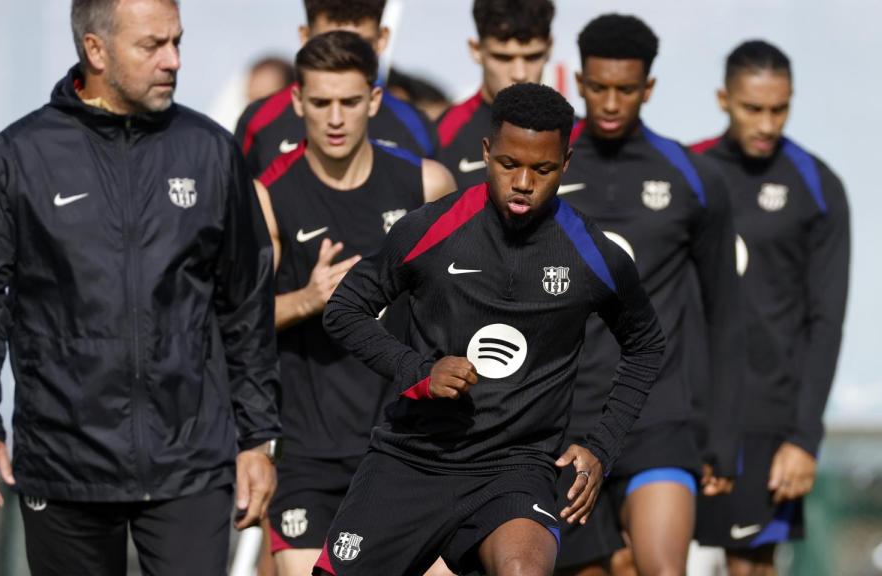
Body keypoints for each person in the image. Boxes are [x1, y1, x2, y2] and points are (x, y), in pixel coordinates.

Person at [0, 1, 281, 574]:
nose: (173, 60)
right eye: (152, 45)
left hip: (190, 464)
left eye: (177, 41)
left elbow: (245, 303)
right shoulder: (19, 157)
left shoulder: (209, 152)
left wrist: (257, 439)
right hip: (64, 458)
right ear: (95, 50)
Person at [314, 82, 666, 576]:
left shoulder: (592, 254)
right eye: (507, 164)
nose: (523, 181)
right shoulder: (429, 229)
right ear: (486, 153)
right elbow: (345, 309)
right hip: (412, 458)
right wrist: (419, 371)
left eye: (542, 169)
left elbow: (647, 345)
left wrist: (602, 447)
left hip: (514, 469)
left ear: (565, 163)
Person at [253, 30, 455, 576]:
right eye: (320, 103)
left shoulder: (425, 184)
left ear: (373, 99)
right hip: (309, 455)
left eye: (348, 101)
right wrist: (306, 299)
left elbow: (463, 305)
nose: (335, 117)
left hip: (408, 445)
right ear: (298, 102)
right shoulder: (269, 196)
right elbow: (238, 326)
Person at [554, 14, 744, 576]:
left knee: (662, 567)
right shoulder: (545, 170)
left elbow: (725, 313)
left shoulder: (694, 177)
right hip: (568, 418)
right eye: (599, 87)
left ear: (649, 88)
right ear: (580, 82)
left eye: (627, 89)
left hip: (658, 414)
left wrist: (723, 434)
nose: (611, 102)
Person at [690, 40, 850, 576]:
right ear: (723, 98)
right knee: (635, 558)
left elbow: (826, 322)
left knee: (750, 568)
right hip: (681, 410)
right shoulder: (688, 172)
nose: (766, 122)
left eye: (778, 108)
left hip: (766, 415)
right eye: (752, 108)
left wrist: (804, 439)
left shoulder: (817, 187)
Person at [235, 0, 438, 177]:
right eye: (328, 44)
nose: (343, 60)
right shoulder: (259, 122)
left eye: (360, 46)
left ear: (382, 39)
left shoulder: (415, 126)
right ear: (305, 36)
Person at [437, 0, 555, 192]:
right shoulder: (441, 135)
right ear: (476, 50)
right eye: (503, 57)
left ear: (549, 48)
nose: (520, 73)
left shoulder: (572, 134)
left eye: (532, 57)